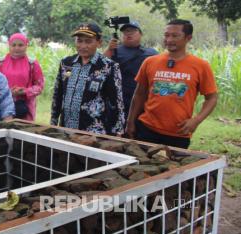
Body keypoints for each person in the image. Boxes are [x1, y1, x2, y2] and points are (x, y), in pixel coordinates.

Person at [126, 19, 218, 149]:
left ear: (188, 38)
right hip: (146, 129)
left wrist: (196, 121)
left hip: (179, 133)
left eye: (175, 36)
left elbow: (212, 98)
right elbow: (139, 94)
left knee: (173, 168)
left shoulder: (200, 66)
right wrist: (130, 122)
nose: (169, 40)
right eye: (166, 35)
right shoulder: (150, 62)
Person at [50, 23, 125, 135]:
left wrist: (118, 132)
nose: (83, 46)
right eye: (79, 41)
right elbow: (58, 94)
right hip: (66, 129)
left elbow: (117, 102)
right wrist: (53, 120)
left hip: (94, 133)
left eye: (88, 41)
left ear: (99, 43)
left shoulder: (109, 66)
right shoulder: (66, 63)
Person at [104, 21, 158, 119]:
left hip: (141, 98)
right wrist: (109, 49)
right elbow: (100, 67)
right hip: (118, 98)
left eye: (132, 31)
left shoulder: (151, 53)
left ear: (140, 34)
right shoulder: (115, 50)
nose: (128, 33)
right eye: (125, 32)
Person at [0, 33, 44, 121]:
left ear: (26, 46)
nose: (17, 48)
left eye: (20, 45)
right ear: (9, 46)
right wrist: (7, 92)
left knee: (23, 132)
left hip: (25, 108)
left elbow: (40, 86)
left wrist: (25, 91)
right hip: (3, 107)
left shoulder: (32, 64)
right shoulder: (0, 63)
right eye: (13, 45)